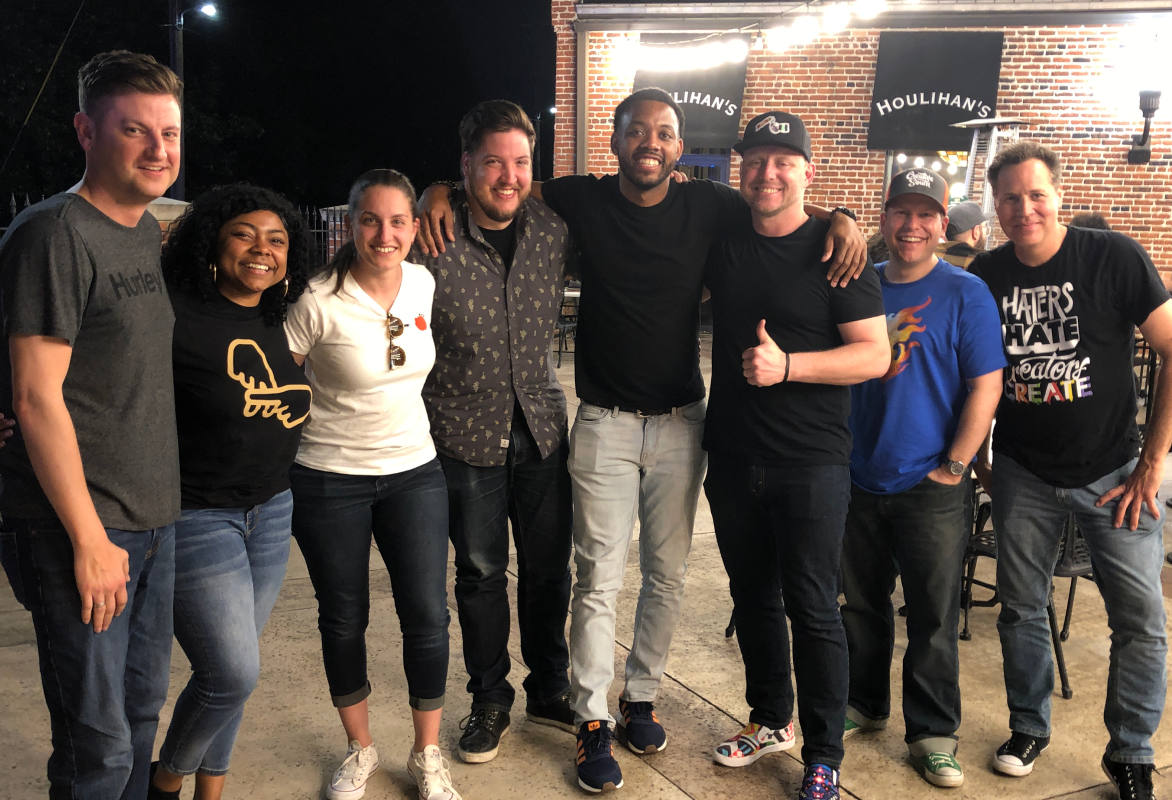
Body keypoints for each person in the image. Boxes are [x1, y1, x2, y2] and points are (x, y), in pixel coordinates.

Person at [416, 88, 868, 795]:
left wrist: (843, 217)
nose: (650, 143)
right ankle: (592, 717)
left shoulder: (711, 205)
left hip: (684, 421)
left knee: (667, 576)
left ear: (680, 148)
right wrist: (439, 190)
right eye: (636, 131)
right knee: (597, 577)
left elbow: (781, 201)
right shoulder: (584, 199)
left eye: (663, 133)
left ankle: (641, 697)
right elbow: (509, 182)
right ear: (616, 141)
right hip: (604, 422)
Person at [0, 50, 182, 800]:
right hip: (81, 527)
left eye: (170, 133)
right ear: (85, 131)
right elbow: (36, 397)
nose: (158, 149)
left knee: (138, 718)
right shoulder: (54, 234)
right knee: (96, 748)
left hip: (152, 520)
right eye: (135, 130)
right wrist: (88, 539)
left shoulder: (140, 230)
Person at [969, 141, 1171, 800]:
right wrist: (978, 457)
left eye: (1036, 194)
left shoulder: (1113, 257)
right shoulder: (987, 273)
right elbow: (970, 369)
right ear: (995, 206)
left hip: (1115, 473)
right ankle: (1028, 728)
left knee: (1139, 620)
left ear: (1059, 195)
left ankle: (1131, 751)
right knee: (1021, 609)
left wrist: (1153, 462)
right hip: (1022, 471)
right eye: (1009, 198)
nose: (1023, 208)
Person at [702, 111, 888, 800]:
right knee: (752, 596)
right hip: (732, 457)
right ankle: (770, 719)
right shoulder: (725, 239)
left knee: (813, 607)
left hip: (810, 463)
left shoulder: (837, 253)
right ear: (740, 169)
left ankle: (824, 755)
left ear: (807, 171)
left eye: (784, 161)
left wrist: (789, 368)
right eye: (756, 160)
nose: (768, 173)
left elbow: (874, 354)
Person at [285, 168, 460, 800]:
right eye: (370, 220)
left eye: (397, 222)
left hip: (415, 470)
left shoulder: (423, 282)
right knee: (343, 618)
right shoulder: (317, 299)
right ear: (349, 225)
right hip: (330, 477)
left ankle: (427, 753)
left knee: (428, 615)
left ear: (413, 227)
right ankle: (360, 749)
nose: (384, 234)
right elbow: (276, 386)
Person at [415, 100, 575, 764]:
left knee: (550, 571)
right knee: (480, 575)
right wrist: (431, 194)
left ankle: (549, 687)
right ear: (465, 165)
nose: (508, 177)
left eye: (520, 162)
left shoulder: (554, 230)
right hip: (462, 436)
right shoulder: (430, 235)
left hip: (542, 431)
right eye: (492, 163)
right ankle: (489, 698)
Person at [838, 169, 1005, 788]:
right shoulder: (857, 281)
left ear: (943, 223)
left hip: (931, 484)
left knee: (933, 615)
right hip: (856, 475)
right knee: (860, 604)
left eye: (925, 214)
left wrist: (955, 466)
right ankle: (863, 704)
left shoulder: (965, 292)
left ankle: (933, 732)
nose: (912, 225)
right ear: (884, 218)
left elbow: (986, 385)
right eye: (901, 213)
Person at [147, 185, 315, 800]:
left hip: (271, 511)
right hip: (196, 515)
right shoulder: (172, 314)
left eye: (276, 239)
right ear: (212, 244)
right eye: (244, 234)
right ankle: (165, 780)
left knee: (235, 671)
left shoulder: (279, 314)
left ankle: (210, 791)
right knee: (231, 672)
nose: (262, 249)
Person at [934, 200, 992, 270]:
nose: (986, 232)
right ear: (975, 232)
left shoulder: (931, 258)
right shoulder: (986, 266)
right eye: (984, 227)